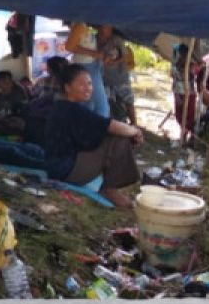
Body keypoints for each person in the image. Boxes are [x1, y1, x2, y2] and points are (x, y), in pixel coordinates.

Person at [44, 64, 142, 209]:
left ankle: (110, 188)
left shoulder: (63, 106)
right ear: (67, 87)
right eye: (81, 84)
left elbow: (99, 129)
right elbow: (110, 125)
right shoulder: (71, 109)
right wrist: (135, 131)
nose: (88, 88)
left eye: (89, 83)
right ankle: (110, 190)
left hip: (58, 167)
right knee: (120, 138)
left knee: (113, 135)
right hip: (66, 170)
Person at [62, 22, 109, 117]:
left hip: (90, 66)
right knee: (101, 106)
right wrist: (93, 53)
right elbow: (69, 46)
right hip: (87, 67)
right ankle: (100, 129)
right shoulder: (79, 24)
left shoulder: (83, 25)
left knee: (89, 104)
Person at [23, 56, 68, 144]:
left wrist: (27, 88)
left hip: (42, 115)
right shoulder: (70, 82)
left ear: (49, 69)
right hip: (61, 115)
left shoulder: (43, 81)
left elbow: (33, 94)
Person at [98, 25, 136, 125]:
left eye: (105, 27)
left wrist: (114, 62)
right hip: (104, 78)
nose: (102, 29)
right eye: (100, 26)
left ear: (110, 28)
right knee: (107, 103)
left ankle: (134, 125)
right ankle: (112, 124)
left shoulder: (116, 40)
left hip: (120, 78)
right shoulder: (96, 39)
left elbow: (125, 55)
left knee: (128, 101)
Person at [170, 44, 199, 143]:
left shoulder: (191, 64)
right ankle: (183, 133)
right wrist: (176, 95)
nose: (184, 57)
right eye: (182, 55)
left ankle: (189, 136)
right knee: (179, 115)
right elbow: (174, 81)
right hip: (179, 92)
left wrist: (192, 59)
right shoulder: (175, 65)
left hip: (189, 93)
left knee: (190, 116)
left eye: (186, 55)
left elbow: (198, 67)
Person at [0, 70, 28, 137]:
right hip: (3, 122)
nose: (7, 83)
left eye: (9, 81)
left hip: (17, 121)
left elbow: (23, 110)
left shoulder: (18, 94)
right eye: (3, 81)